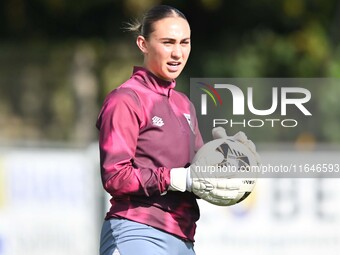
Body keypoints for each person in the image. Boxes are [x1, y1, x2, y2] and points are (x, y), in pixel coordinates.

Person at [96, 5, 204, 255]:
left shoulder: (184, 104)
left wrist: (228, 158)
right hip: (136, 230)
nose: (177, 53)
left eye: (184, 42)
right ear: (143, 44)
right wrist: (173, 178)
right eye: (168, 42)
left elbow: (199, 172)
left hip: (184, 238)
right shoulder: (125, 99)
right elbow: (115, 176)